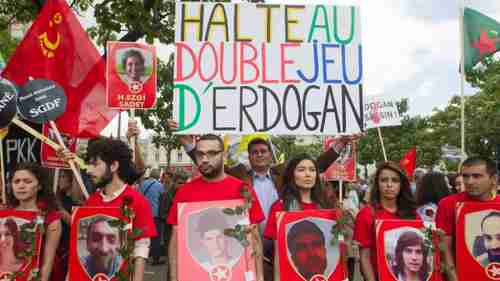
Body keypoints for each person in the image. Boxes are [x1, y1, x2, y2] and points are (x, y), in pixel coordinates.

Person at [167, 134, 265, 281]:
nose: (205, 159)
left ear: (224, 155)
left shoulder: (243, 190)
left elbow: (255, 239)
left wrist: (260, 277)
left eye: (212, 153)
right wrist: (174, 277)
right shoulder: (184, 192)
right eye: (200, 154)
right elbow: (176, 241)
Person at [82, 137, 157, 281]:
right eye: (88, 164)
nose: (89, 170)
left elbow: (141, 247)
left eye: (95, 164)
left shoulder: (138, 201)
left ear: (114, 166)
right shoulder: (91, 201)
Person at [263, 154, 339, 281]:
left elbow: (334, 250)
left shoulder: (327, 207)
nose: (308, 174)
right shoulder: (280, 207)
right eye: (301, 170)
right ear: (292, 175)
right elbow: (279, 254)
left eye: (312, 170)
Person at [435, 156, 500, 281]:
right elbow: (444, 248)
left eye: (477, 176)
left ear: (493, 179)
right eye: (465, 176)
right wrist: (454, 278)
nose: (469, 182)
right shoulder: (448, 204)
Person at [353, 161, 418, 281]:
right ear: (377, 184)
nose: (389, 185)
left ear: (402, 184)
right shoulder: (366, 214)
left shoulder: (413, 215)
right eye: (384, 180)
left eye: (395, 180)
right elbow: (364, 257)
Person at [8, 163, 62, 281]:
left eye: (27, 181)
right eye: (16, 181)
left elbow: (48, 261)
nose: (21, 186)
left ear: (39, 186)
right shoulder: (5, 215)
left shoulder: (51, 217)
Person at [138, 168, 165, 265]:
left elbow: (139, 197)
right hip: (155, 215)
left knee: (144, 236)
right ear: (158, 176)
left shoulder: (142, 184)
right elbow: (163, 199)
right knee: (156, 237)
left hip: (143, 214)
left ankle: (143, 257)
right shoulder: (160, 186)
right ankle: (156, 259)